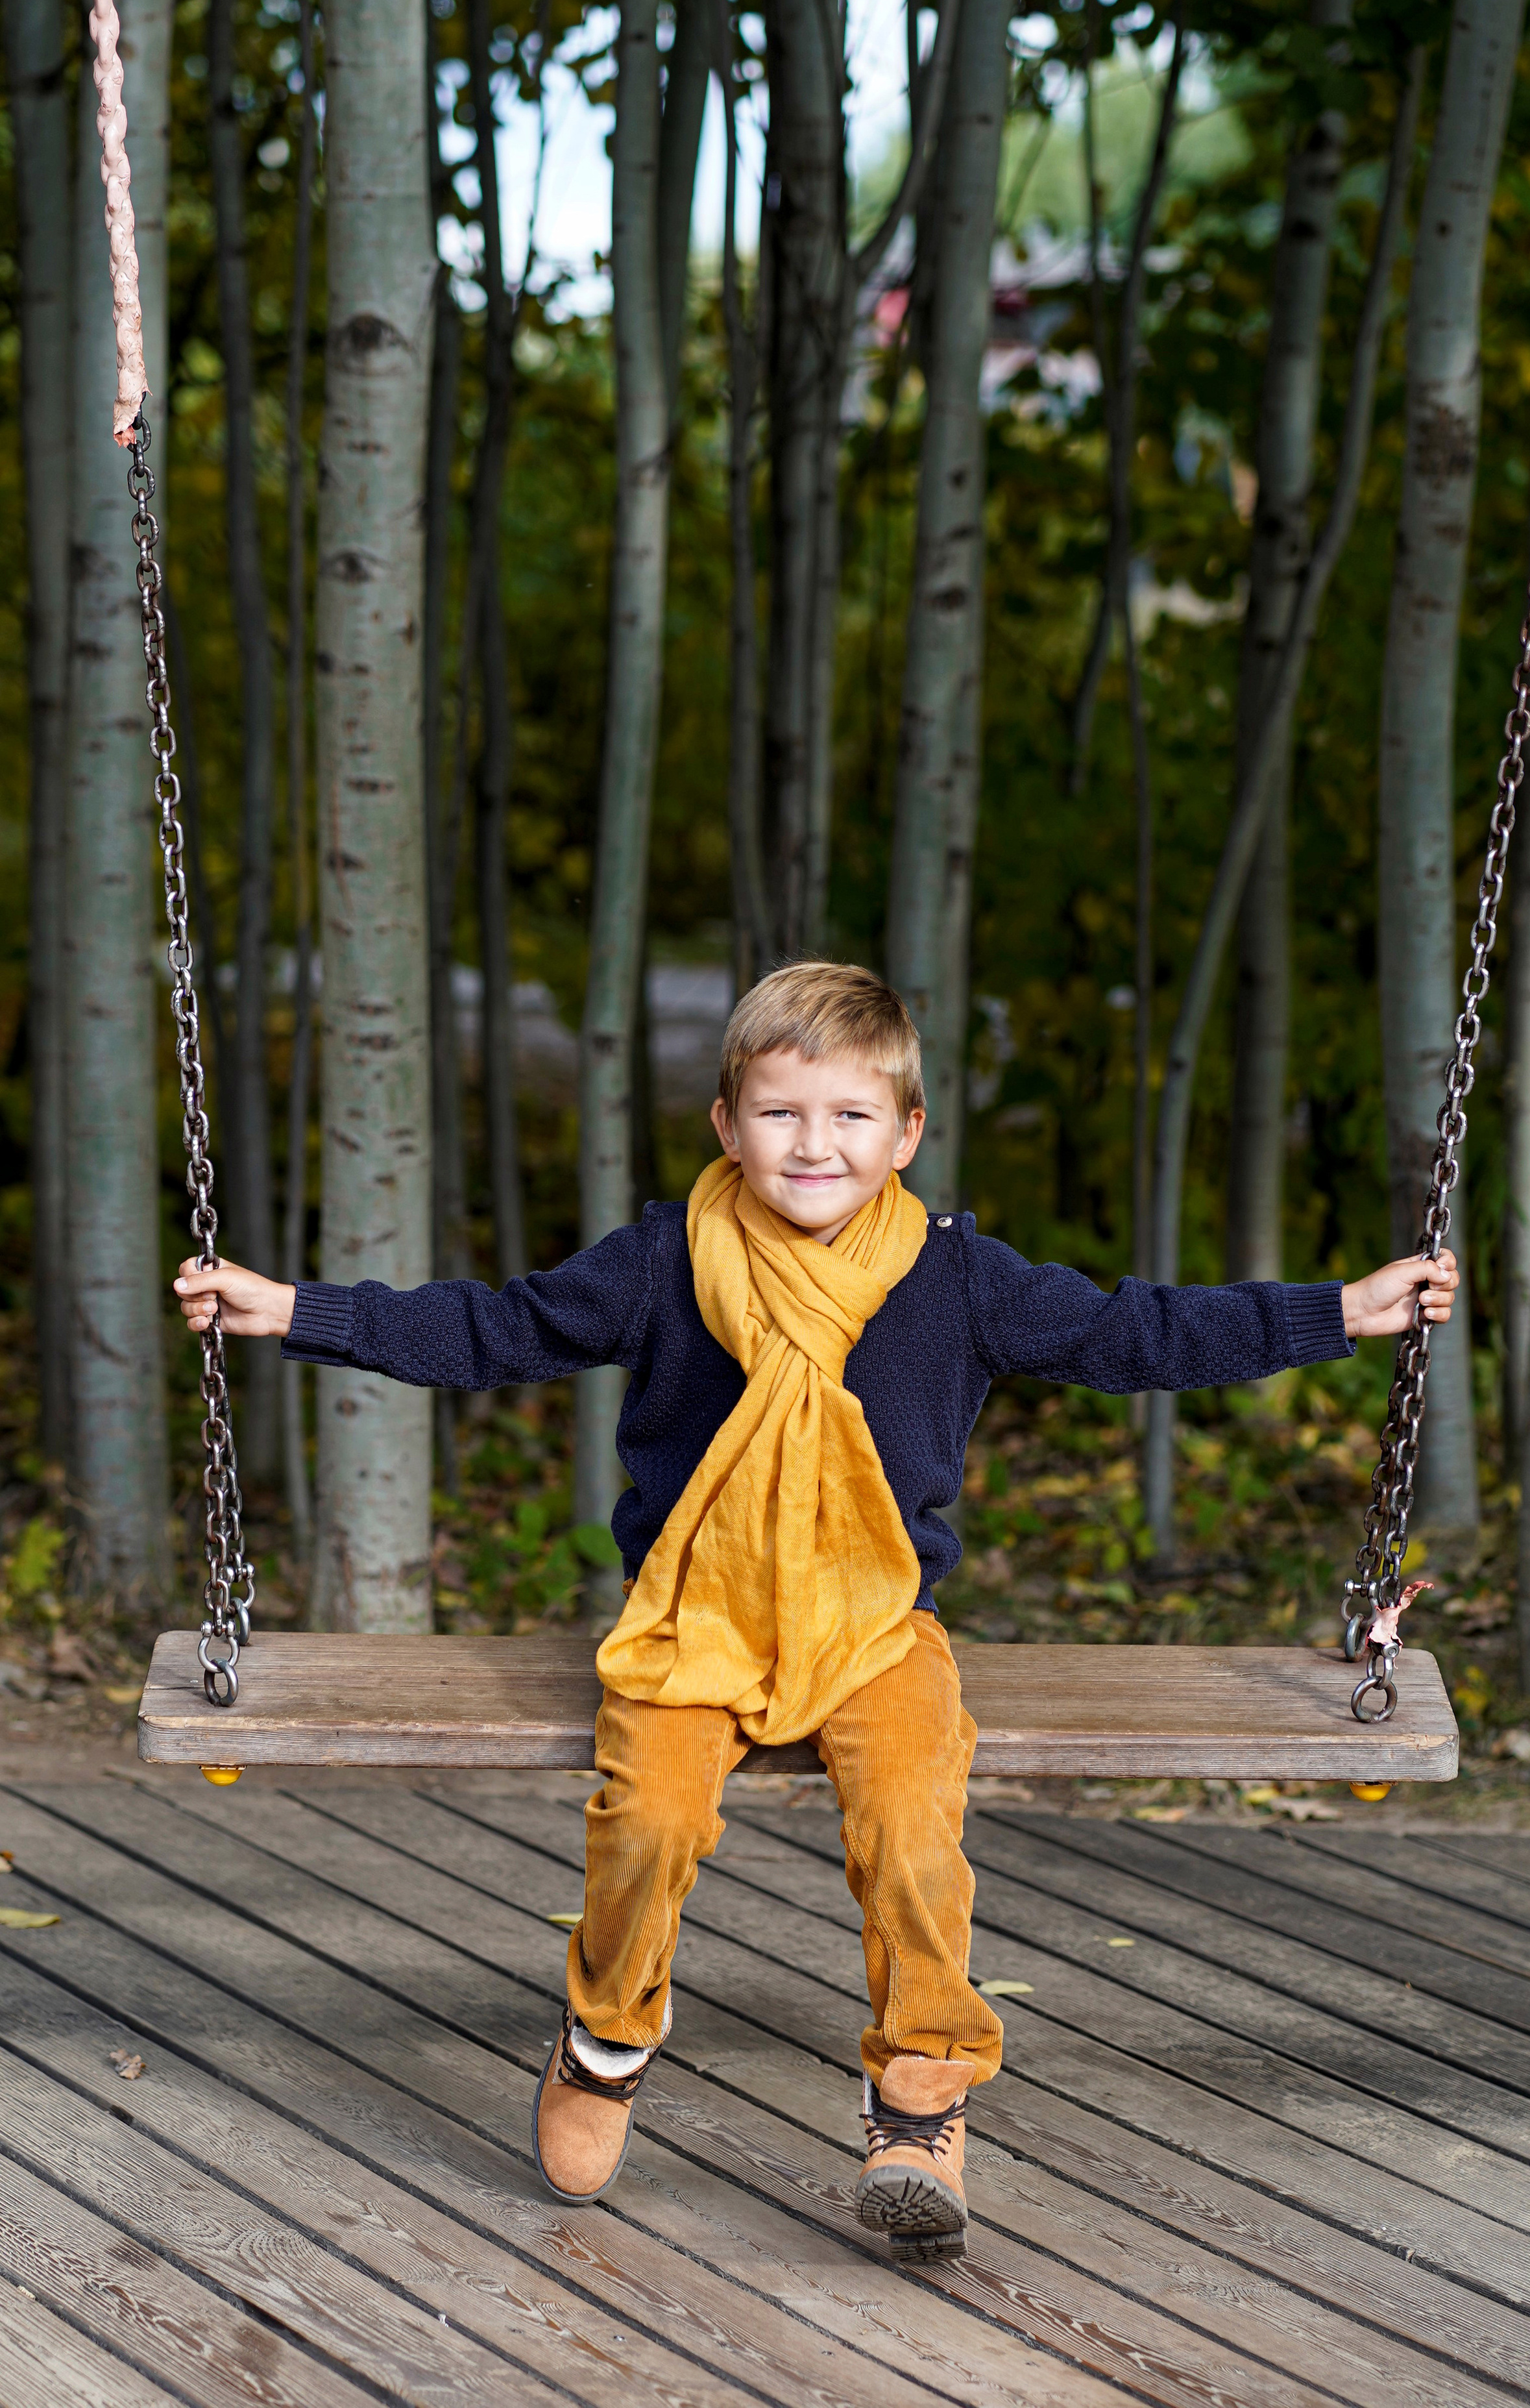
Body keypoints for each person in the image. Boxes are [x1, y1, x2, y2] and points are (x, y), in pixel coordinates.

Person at [175, 958, 1459, 2260]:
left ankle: (917, 2092)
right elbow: (496, 1330)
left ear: (905, 1136)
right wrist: (295, 1312)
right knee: (651, 1821)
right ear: (727, 1126)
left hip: (874, 1618)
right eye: (781, 1113)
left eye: (850, 1117)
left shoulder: (953, 1278)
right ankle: (605, 2037)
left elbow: (1134, 1332)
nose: (814, 1144)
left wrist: (1334, 1314)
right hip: (699, 1612)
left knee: (910, 1822)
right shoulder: (663, 1260)